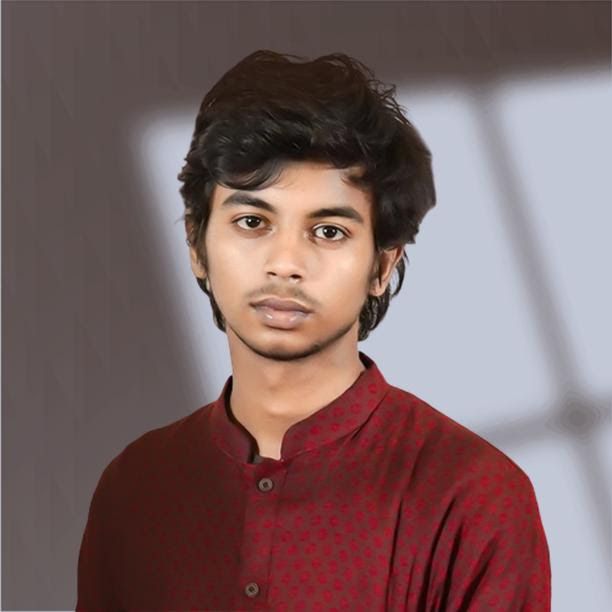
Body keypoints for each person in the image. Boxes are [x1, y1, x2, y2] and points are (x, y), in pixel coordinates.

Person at [76, 50, 551, 611]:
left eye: (327, 231)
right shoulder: (134, 486)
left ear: (382, 266)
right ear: (197, 247)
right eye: (252, 221)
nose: (285, 263)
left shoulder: (473, 497)